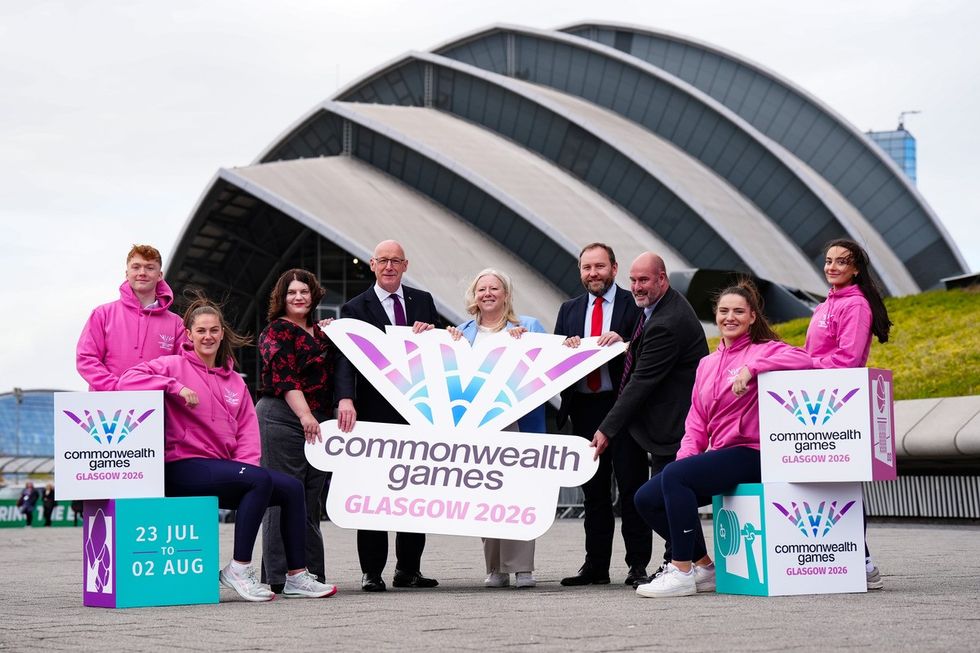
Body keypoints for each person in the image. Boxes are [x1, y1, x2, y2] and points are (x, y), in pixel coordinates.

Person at [118, 294, 337, 602]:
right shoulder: (171, 366)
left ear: (222, 334)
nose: (208, 336)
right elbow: (127, 380)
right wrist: (174, 387)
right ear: (189, 334)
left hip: (221, 471)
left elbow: (248, 434)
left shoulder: (234, 381)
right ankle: (239, 568)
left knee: (289, 487)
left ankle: (296, 576)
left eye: (214, 330)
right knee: (259, 479)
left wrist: (246, 471)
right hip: (181, 467)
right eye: (201, 331)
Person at [632, 280, 813, 598]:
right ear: (715, 315)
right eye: (724, 311)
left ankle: (681, 570)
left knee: (674, 478)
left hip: (754, 452)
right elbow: (697, 420)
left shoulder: (765, 350)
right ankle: (704, 567)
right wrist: (686, 458)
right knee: (647, 497)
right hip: (722, 453)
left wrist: (753, 368)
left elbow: (806, 360)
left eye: (739, 311)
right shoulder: (707, 364)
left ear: (753, 317)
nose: (731, 317)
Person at [589, 252, 708, 586]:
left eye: (644, 280)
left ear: (662, 279)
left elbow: (640, 382)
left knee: (660, 498)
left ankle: (682, 562)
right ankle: (694, 562)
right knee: (667, 497)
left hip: (675, 425)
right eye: (633, 280)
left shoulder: (667, 322)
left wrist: (606, 428)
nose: (637, 287)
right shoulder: (658, 308)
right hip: (665, 423)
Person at [335, 239, 440, 592]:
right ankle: (372, 572)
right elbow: (346, 358)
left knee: (414, 492)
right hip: (372, 412)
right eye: (383, 261)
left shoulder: (423, 301)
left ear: (405, 265)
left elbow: (439, 353)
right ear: (372, 264)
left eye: (396, 261)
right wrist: (345, 399)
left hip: (416, 412)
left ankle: (408, 569)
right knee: (374, 492)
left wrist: (436, 336)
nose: (390, 266)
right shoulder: (353, 307)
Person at [553, 243, 648, 587]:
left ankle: (638, 565)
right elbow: (555, 362)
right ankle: (595, 566)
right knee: (593, 493)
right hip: (584, 408)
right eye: (586, 268)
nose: (592, 274)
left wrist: (623, 340)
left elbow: (647, 350)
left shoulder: (633, 305)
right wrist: (565, 350)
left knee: (631, 487)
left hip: (622, 407)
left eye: (599, 267)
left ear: (614, 268)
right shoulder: (569, 310)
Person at [448, 268, 547, 589]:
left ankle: (522, 568)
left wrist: (529, 344)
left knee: (519, 493)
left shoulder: (528, 327)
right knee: (486, 494)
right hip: (478, 426)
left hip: (519, 422)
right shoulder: (460, 332)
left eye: (494, 288)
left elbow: (549, 365)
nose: (488, 293)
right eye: (482, 289)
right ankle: (495, 567)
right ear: (474, 297)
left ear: (506, 294)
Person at [805, 238, 893, 590]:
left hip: (840, 405)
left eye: (842, 262)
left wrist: (804, 366)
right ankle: (859, 559)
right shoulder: (827, 303)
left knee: (843, 486)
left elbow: (850, 359)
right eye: (829, 261)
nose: (832, 267)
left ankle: (864, 561)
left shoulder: (855, 305)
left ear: (856, 268)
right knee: (831, 486)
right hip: (821, 402)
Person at [258, 269, 332, 594]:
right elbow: (285, 378)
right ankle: (277, 576)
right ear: (282, 298)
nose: (299, 297)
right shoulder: (277, 331)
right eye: (292, 293)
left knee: (309, 500)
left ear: (313, 295)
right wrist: (304, 415)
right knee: (281, 496)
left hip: (317, 420)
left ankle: (308, 573)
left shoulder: (322, 333)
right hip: (282, 416)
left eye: (304, 291)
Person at [76, 244, 186, 391]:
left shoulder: (177, 324)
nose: (142, 272)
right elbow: (86, 359)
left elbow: (184, 367)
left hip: (157, 406)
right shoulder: (102, 314)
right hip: (108, 405)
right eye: (136, 267)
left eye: (150, 267)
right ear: (127, 274)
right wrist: (117, 387)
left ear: (160, 275)